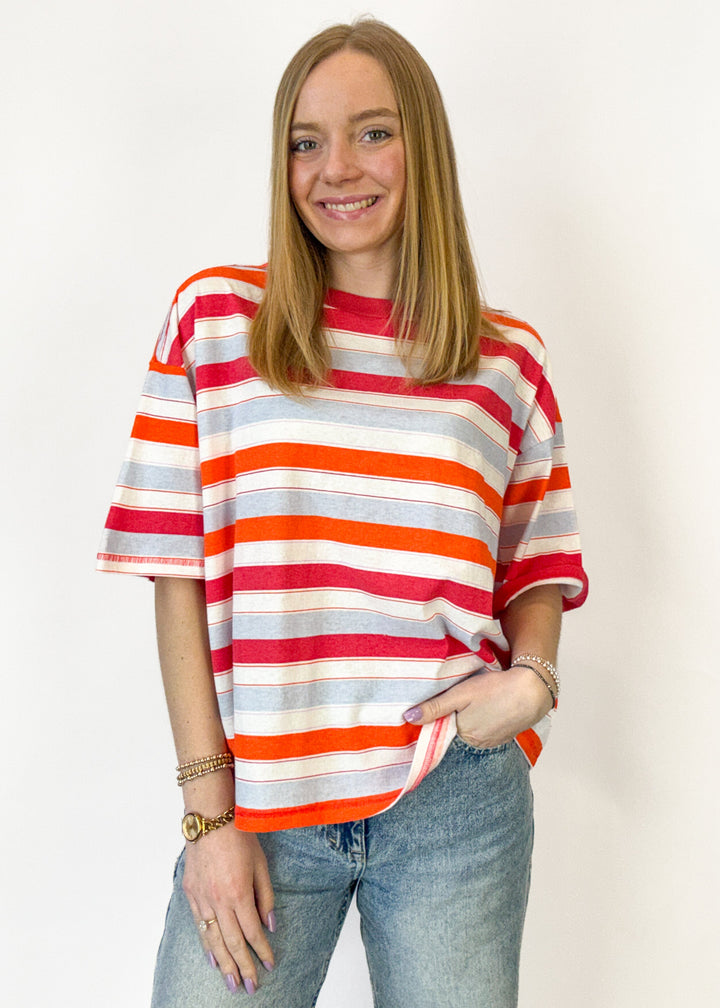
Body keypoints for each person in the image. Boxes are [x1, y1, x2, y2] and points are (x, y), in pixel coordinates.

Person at [98, 17, 588, 1007]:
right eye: (305, 141)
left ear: (424, 150)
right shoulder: (217, 322)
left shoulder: (506, 360)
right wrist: (209, 817)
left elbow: (536, 560)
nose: (336, 169)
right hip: (262, 800)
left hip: (455, 800)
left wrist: (533, 681)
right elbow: (174, 569)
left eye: (373, 132)